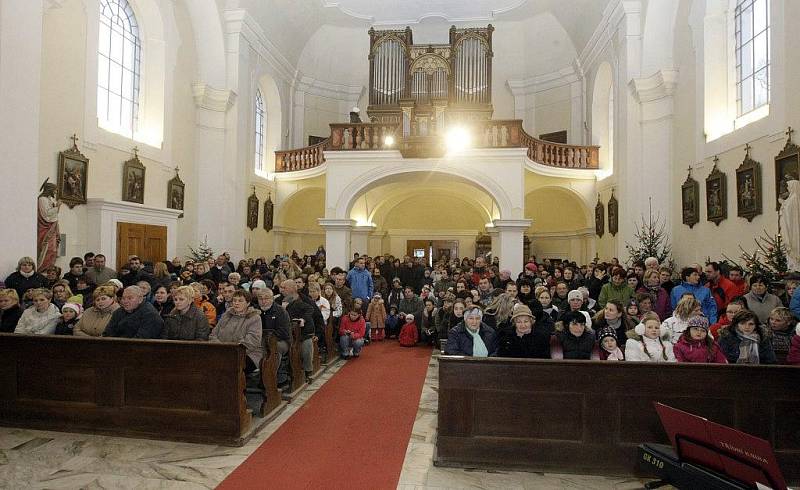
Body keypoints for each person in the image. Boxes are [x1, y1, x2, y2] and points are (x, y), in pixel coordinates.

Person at [211, 290, 262, 373]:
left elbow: (252, 340)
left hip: (247, 354)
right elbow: (213, 334)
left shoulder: (254, 318)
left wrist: (231, 351)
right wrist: (220, 347)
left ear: (248, 303)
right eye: (234, 300)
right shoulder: (226, 315)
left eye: (240, 301)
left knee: (228, 366)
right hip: (222, 351)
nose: (236, 303)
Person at [279, 279, 316, 382]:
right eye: (281, 287)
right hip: (286, 333)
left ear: (291, 288)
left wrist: (302, 319)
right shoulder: (279, 300)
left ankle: (308, 371)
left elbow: (311, 310)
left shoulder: (302, 300)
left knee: (306, 348)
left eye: (284, 288)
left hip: (303, 332)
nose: (281, 290)